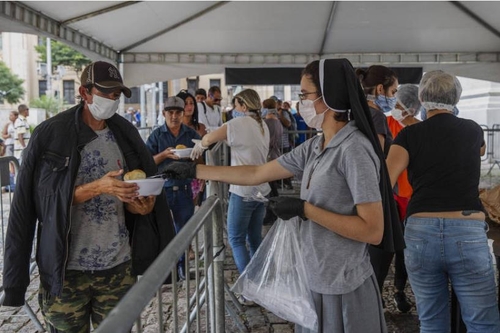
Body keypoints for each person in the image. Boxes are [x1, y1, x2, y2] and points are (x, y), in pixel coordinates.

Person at [166, 59, 405, 332]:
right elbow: (257, 172)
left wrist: (306, 210)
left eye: (305, 94)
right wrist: (196, 171)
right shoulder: (316, 145)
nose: (301, 101)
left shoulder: (354, 150)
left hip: (343, 285)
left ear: (329, 97)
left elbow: (373, 230)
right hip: (313, 278)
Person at [2, 61, 175, 332]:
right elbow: (34, 202)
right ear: (84, 92)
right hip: (66, 272)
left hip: (117, 267)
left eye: (117, 95)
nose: (112, 100)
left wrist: (140, 207)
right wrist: (98, 187)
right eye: (106, 92)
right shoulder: (50, 134)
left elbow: (134, 196)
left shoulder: (125, 133)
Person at [387, 71, 500, 332]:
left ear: (422, 98)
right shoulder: (472, 130)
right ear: (456, 98)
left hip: (420, 230)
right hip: (467, 229)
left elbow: (386, 179)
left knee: (432, 320)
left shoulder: (408, 136)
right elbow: (480, 150)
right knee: (482, 322)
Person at [190, 89, 271, 279]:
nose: (234, 109)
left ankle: (248, 286)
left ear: (243, 105)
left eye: (235, 105)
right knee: (254, 237)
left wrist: (201, 145)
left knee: (236, 239)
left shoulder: (237, 123)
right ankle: (258, 281)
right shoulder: (262, 125)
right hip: (261, 189)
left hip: (243, 190)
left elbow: (209, 138)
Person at [356, 65, 400, 304]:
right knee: (379, 260)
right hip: (378, 198)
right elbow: (378, 162)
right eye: (393, 92)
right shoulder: (377, 116)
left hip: (360, 197)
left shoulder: (356, 112)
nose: (393, 98)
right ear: (380, 89)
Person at [146, 96, 201, 278]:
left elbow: (201, 158)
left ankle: (183, 270)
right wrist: (164, 155)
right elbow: (148, 163)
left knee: (184, 232)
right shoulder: (156, 135)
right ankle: (166, 274)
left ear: (183, 113)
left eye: (178, 112)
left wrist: (193, 157)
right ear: (164, 114)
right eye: (171, 112)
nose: (174, 116)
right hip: (162, 190)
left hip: (184, 190)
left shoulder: (191, 135)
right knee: (163, 232)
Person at [385, 84, 422, 313]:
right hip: (392, 195)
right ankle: (375, 291)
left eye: (401, 105)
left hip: (412, 197)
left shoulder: (421, 129)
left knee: (404, 249)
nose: (397, 108)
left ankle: (399, 291)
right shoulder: (386, 124)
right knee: (383, 247)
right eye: (396, 103)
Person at [177, 89, 207, 208]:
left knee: (193, 209)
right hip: (178, 173)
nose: (189, 107)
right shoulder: (174, 128)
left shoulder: (200, 127)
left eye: (191, 103)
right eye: (186, 103)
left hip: (197, 171)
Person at [262, 98, 283, 225]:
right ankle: (274, 212)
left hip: (268, 156)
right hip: (275, 154)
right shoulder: (277, 122)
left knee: (270, 188)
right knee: (272, 187)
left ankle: (272, 214)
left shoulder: (267, 123)